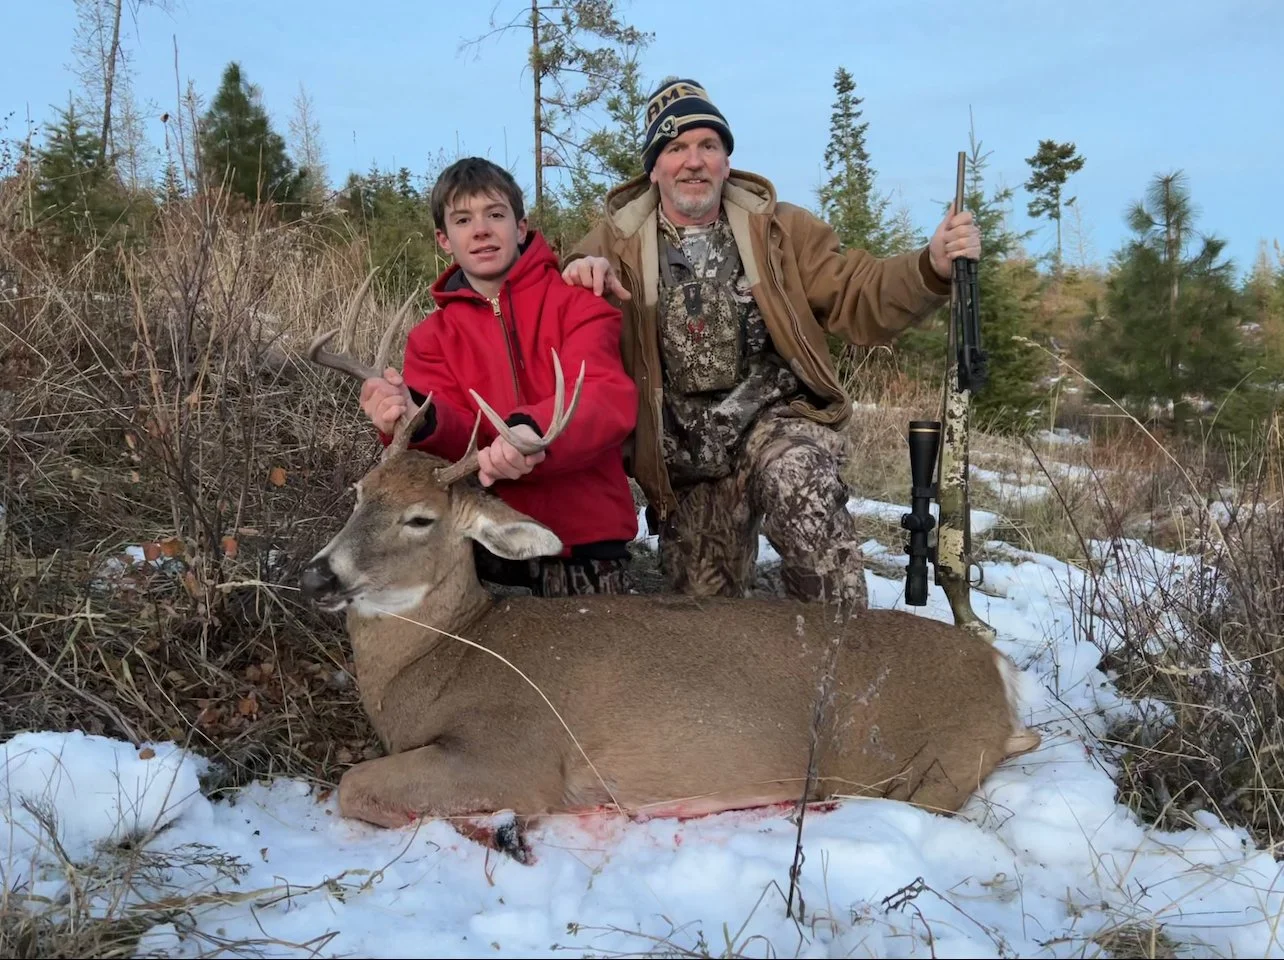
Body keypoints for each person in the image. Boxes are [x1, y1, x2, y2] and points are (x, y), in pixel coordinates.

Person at [561, 77, 981, 614]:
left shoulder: (779, 230)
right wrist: (576, 278)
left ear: (726, 162)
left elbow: (859, 293)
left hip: (777, 427)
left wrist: (931, 266)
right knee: (704, 618)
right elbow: (557, 317)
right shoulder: (610, 245)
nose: (694, 161)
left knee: (803, 492)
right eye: (676, 148)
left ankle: (842, 648)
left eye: (708, 145)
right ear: (654, 168)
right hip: (688, 462)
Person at [359, 156, 640, 596]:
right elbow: (451, 441)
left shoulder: (579, 303)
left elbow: (604, 396)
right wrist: (416, 419)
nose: (481, 230)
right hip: (483, 548)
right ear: (444, 239)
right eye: (463, 220)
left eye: (495, 215)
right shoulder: (430, 339)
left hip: (584, 545)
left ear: (521, 227)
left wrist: (531, 431)